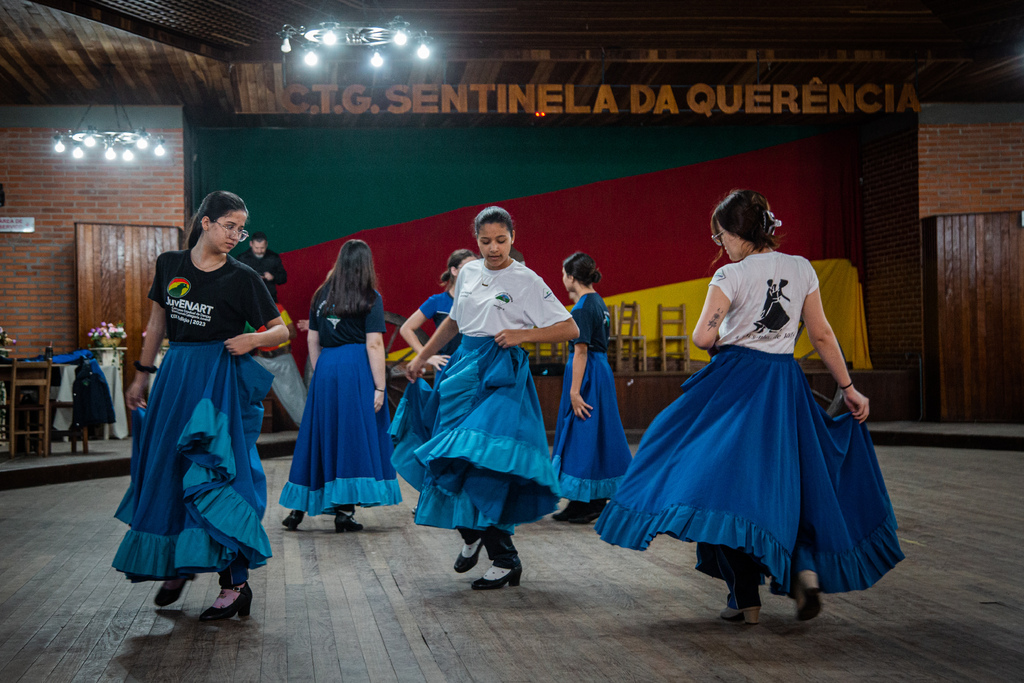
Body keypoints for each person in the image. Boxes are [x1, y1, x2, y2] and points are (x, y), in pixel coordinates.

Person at [594, 190, 903, 625]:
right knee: (792, 483)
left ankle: (745, 598)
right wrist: (848, 387)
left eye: (721, 236)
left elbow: (702, 337)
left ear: (738, 233)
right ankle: (804, 572)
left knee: (708, 479)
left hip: (736, 384)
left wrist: (728, 338)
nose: (721, 246)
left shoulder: (729, 275)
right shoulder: (802, 268)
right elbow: (823, 336)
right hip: (783, 385)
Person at [115, 190, 288, 621]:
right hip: (175, 376)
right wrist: (141, 375)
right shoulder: (170, 265)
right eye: (229, 226)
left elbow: (280, 331)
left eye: (241, 229)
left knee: (219, 474)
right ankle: (178, 561)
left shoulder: (243, 277)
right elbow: (157, 324)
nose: (236, 235)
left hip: (217, 381)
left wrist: (253, 338)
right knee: (168, 469)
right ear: (206, 222)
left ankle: (235, 585)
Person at [393, 206, 579, 590]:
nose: (493, 248)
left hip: (502, 376)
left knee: (481, 459)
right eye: (485, 241)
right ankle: (471, 533)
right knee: (453, 459)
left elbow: (569, 326)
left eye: (501, 239)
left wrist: (521, 335)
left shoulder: (526, 279)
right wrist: (422, 356)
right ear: (475, 241)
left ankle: (504, 557)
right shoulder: (470, 273)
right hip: (464, 370)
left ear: (513, 236)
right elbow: (455, 322)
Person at [279, 239, 400, 532]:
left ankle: (298, 509)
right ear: (366, 265)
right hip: (356, 369)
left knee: (319, 435)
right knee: (350, 438)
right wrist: (380, 388)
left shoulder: (321, 295)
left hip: (327, 368)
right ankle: (343, 514)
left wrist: (322, 373)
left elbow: (312, 339)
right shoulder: (370, 297)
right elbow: (374, 345)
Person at [550, 252, 632, 524]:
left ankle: (587, 501)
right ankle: (587, 499)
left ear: (572, 277)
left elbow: (581, 351)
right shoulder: (598, 301)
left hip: (587, 374)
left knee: (582, 433)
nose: (562, 279)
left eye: (564, 274)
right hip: (600, 371)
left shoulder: (583, 307)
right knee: (594, 433)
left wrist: (575, 392)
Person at [398, 249, 477, 384]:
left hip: (475, 366)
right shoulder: (437, 301)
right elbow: (406, 328)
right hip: (447, 368)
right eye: (468, 268)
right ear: (454, 271)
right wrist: (427, 356)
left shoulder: (480, 301)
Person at [252, 302, 307, 426]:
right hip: (260, 359)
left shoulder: (277, 308)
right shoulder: (249, 309)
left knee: (296, 399)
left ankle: (309, 430)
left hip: (281, 358)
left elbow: (292, 333)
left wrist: (271, 335)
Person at [236, 231, 288, 302]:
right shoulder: (242, 259)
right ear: (251, 244)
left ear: (266, 244)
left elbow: (284, 278)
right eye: (256, 248)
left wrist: (273, 277)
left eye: (262, 248)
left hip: (269, 298)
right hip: (248, 299)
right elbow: (235, 279)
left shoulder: (273, 257)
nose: (259, 251)